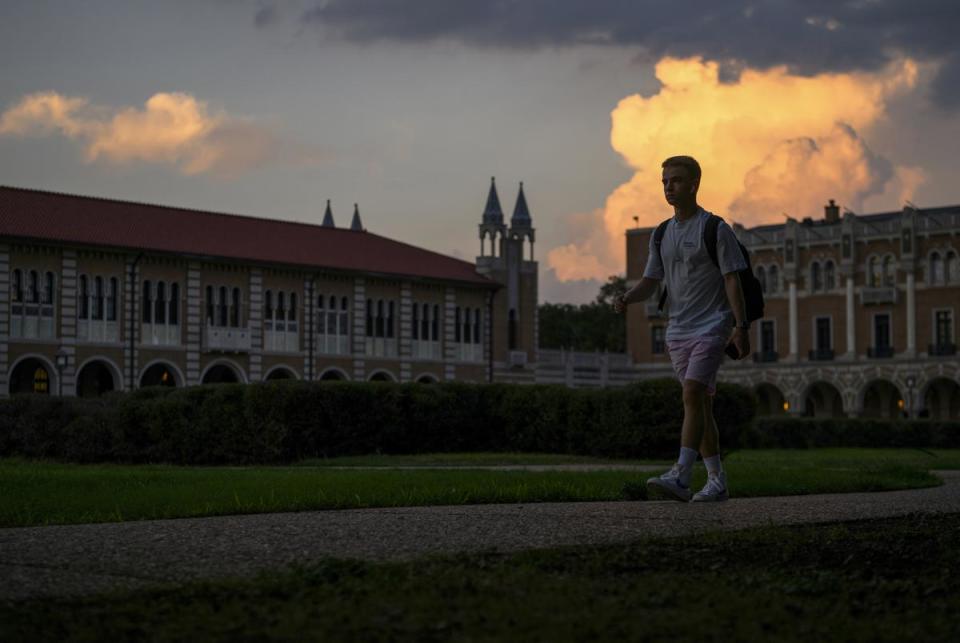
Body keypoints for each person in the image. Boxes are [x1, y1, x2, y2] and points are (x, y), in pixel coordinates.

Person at [613, 156, 749, 502]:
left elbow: (733, 280)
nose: (668, 187)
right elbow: (651, 280)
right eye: (664, 182)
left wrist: (740, 326)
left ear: (694, 184)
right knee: (700, 404)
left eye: (675, 180)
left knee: (691, 394)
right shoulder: (661, 233)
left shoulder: (714, 228)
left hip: (713, 324)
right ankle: (717, 480)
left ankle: (682, 475)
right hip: (677, 330)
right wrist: (627, 297)